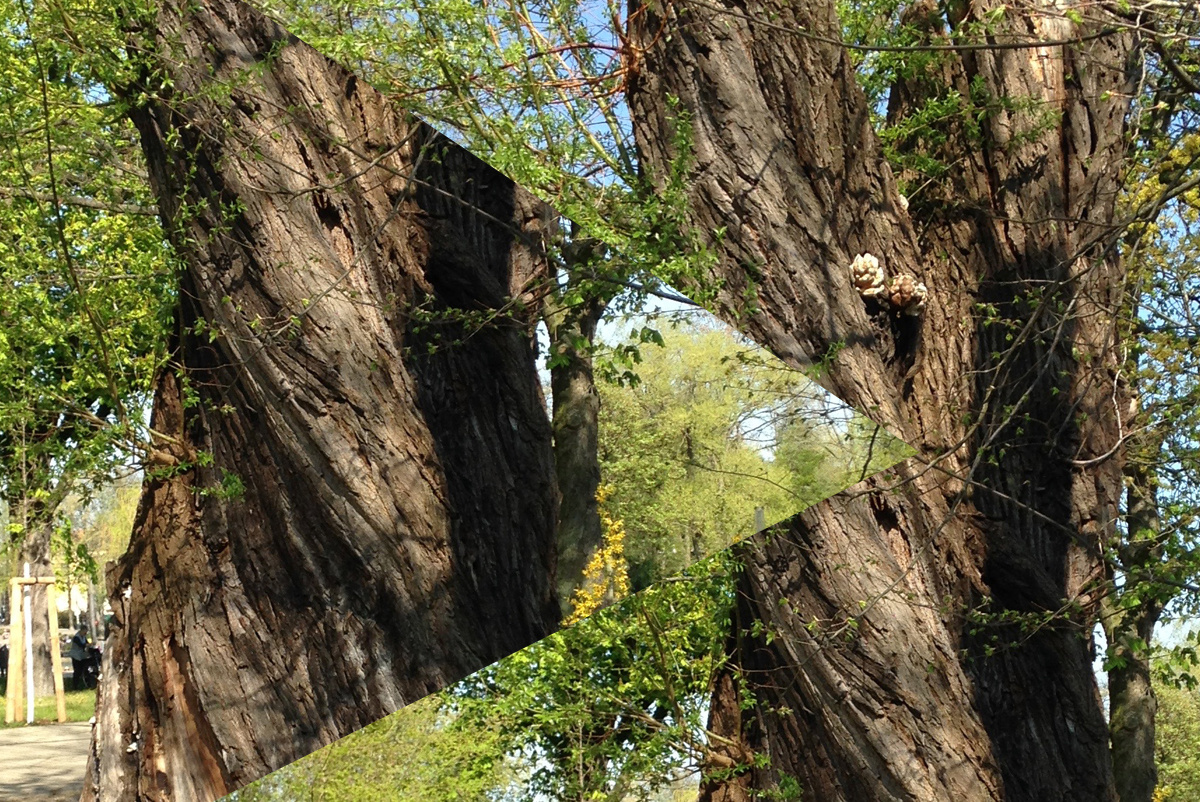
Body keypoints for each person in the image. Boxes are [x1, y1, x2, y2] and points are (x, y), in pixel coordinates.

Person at [69, 625, 93, 691]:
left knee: (85, 670)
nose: (85, 634)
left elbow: (86, 643)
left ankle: (87, 684)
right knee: (77, 671)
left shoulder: (84, 637)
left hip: (81, 656)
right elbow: (81, 645)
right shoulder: (76, 637)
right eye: (85, 632)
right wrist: (87, 645)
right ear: (81, 630)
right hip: (75, 656)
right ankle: (75, 686)